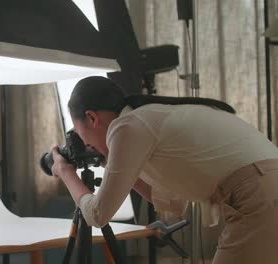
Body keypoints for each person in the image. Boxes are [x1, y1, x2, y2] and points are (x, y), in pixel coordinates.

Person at [50, 76, 278, 264]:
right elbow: (173, 202)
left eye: (82, 136)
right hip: (265, 187)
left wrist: (65, 172)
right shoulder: (148, 117)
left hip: (258, 195)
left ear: (91, 118)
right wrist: (111, 164)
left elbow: (98, 215)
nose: (88, 145)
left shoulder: (127, 126)